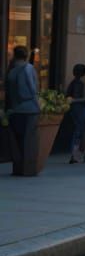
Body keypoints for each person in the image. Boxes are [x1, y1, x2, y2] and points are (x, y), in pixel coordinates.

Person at [4, 45, 40, 176]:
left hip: (15, 110)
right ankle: (28, 169)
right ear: (26, 56)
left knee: (17, 142)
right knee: (29, 141)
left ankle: (17, 168)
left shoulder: (12, 71)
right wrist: (37, 103)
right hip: (29, 110)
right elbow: (32, 89)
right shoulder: (28, 68)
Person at [66, 64, 85, 163]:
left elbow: (68, 95)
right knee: (84, 130)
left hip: (74, 109)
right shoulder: (82, 83)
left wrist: (71, 100)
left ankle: (78, 153)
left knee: (78, 130)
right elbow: (84, 98)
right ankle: (82, 153)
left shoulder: (73, 83)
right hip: (81, 109)